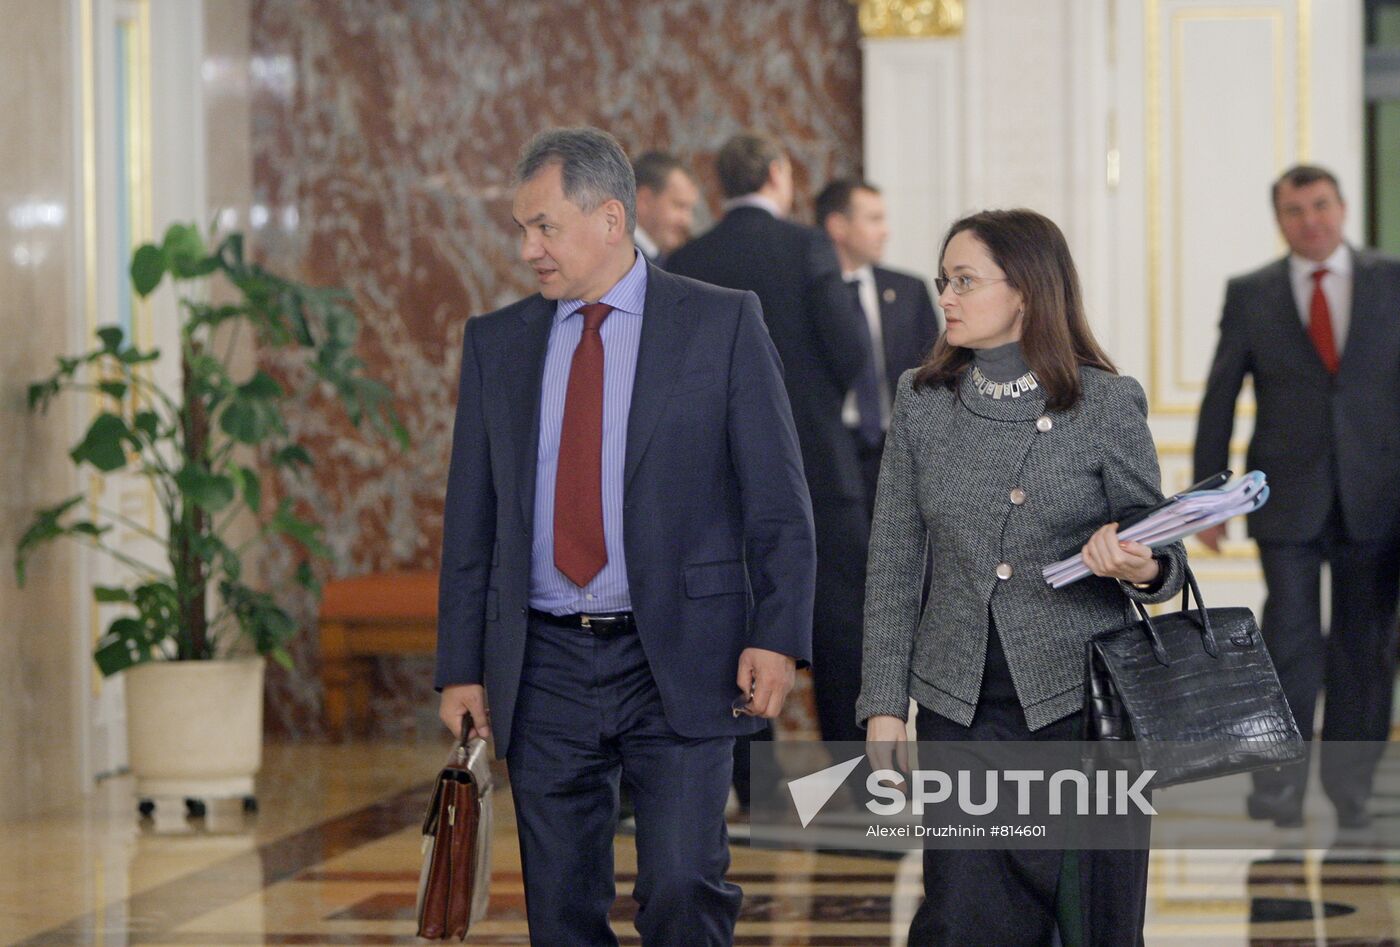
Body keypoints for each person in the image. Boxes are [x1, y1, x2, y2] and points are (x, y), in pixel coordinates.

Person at [435, 126, 816, 945]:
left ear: (612, 218)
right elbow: (470, 522)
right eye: (521, 229)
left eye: (544, 226)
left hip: (679, 651)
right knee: (562, 909)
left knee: (683, 885)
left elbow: (778, 502)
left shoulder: (720, 323)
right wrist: (461, 666)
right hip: (544, 666)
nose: (528, 248)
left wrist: (777, 636)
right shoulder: (496, 344)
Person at [859, 209, 1187, 945]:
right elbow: (893, 560)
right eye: (944, 279)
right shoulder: (922, 399)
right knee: (963, 917)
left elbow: (1164, 556)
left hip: (1081, 710)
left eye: (965, 280)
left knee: (1086, 924)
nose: (945, 295)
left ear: (1027, 293)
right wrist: (884, 702)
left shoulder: (1105, 400)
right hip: (960, 708)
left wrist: (1140, 562)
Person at [1193, 164, 1400, 830]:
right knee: (1289, 641)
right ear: (1278, 218)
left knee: (1365, 648)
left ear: (1342, 207)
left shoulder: (1391, 279)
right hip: (1285, 499)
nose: (1310, 218)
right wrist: (1209, 499)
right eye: (1294, 209)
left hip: (1380, 494)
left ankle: (1351, 791)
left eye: (1320, 205)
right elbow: (1219, 395)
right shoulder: (1251, 292)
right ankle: (1277, 789)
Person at [666, 132, 871, 803]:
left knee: (738, 617)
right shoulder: (809, 245)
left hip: (716, 474)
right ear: (780, 175)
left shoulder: (686, 256)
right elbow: (850, 349)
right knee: (840, 623)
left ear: (720, 185)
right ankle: (851, 778)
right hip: (814, 463)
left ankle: (752, 782)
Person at [815, 178, 942, 514]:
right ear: (838, 226)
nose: (885, 231)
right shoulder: (810, 294)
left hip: (895, 447)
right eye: (873, 219)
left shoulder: (909, 290)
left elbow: (934, 372)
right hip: (832, 454)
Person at [631, 150, 700, 263]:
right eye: (679, 205)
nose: (687, 221)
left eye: (690, 209)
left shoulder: (655, 260)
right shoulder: (623, 263)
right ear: (644, 200)